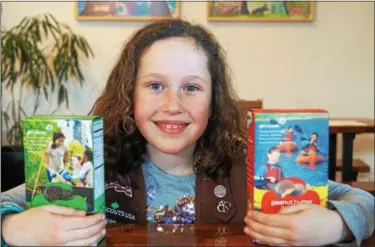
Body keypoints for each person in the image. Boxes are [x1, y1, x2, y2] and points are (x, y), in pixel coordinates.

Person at [1, 19, 374, 247]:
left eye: (192, 88)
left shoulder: (251, 167)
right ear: (129, 95)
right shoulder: (92, 166)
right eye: (155, 85)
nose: (172, 104)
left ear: (215, 100)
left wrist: (337, 225)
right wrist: (14, 229)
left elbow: (362, 202)